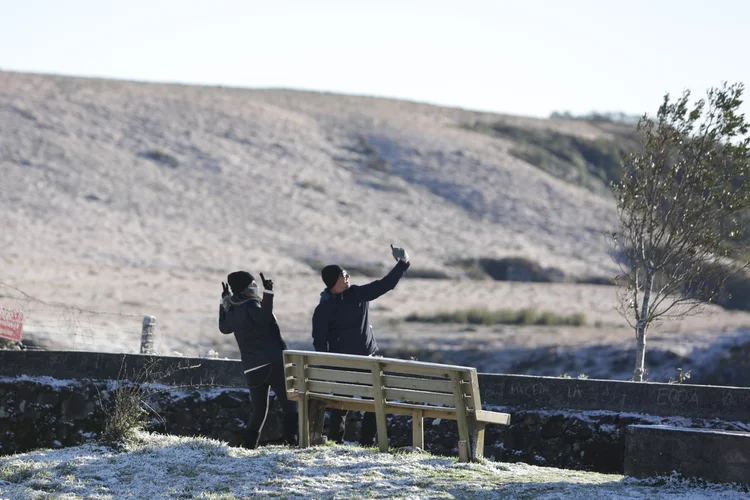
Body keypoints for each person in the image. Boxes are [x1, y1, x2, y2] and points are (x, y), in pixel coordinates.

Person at [311, 245, 410, 445]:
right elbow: (319, 341)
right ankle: (336, 441)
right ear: (333, 282)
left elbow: (385, 285)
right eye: (342, 275)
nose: (347, 276)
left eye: (346, 273)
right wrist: (330, 365)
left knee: (374, 402)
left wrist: (403, 264)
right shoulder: (324, 309)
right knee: (342, 406)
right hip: (343, 364)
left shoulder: (356, 294)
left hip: (366, 360)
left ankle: (366, 441)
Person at [219, 270, 298, 448]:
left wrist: (223, 301)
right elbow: (264, 318)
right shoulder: (251, 305)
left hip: (252, 369)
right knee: (290, 406)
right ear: (247, 288)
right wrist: (269, 294)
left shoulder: (233, 309)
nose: (255, 286)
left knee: (259, 411)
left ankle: (249, 446)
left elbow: (224, 328)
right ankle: (292, 443)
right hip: (273, 363)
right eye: (253, 284)